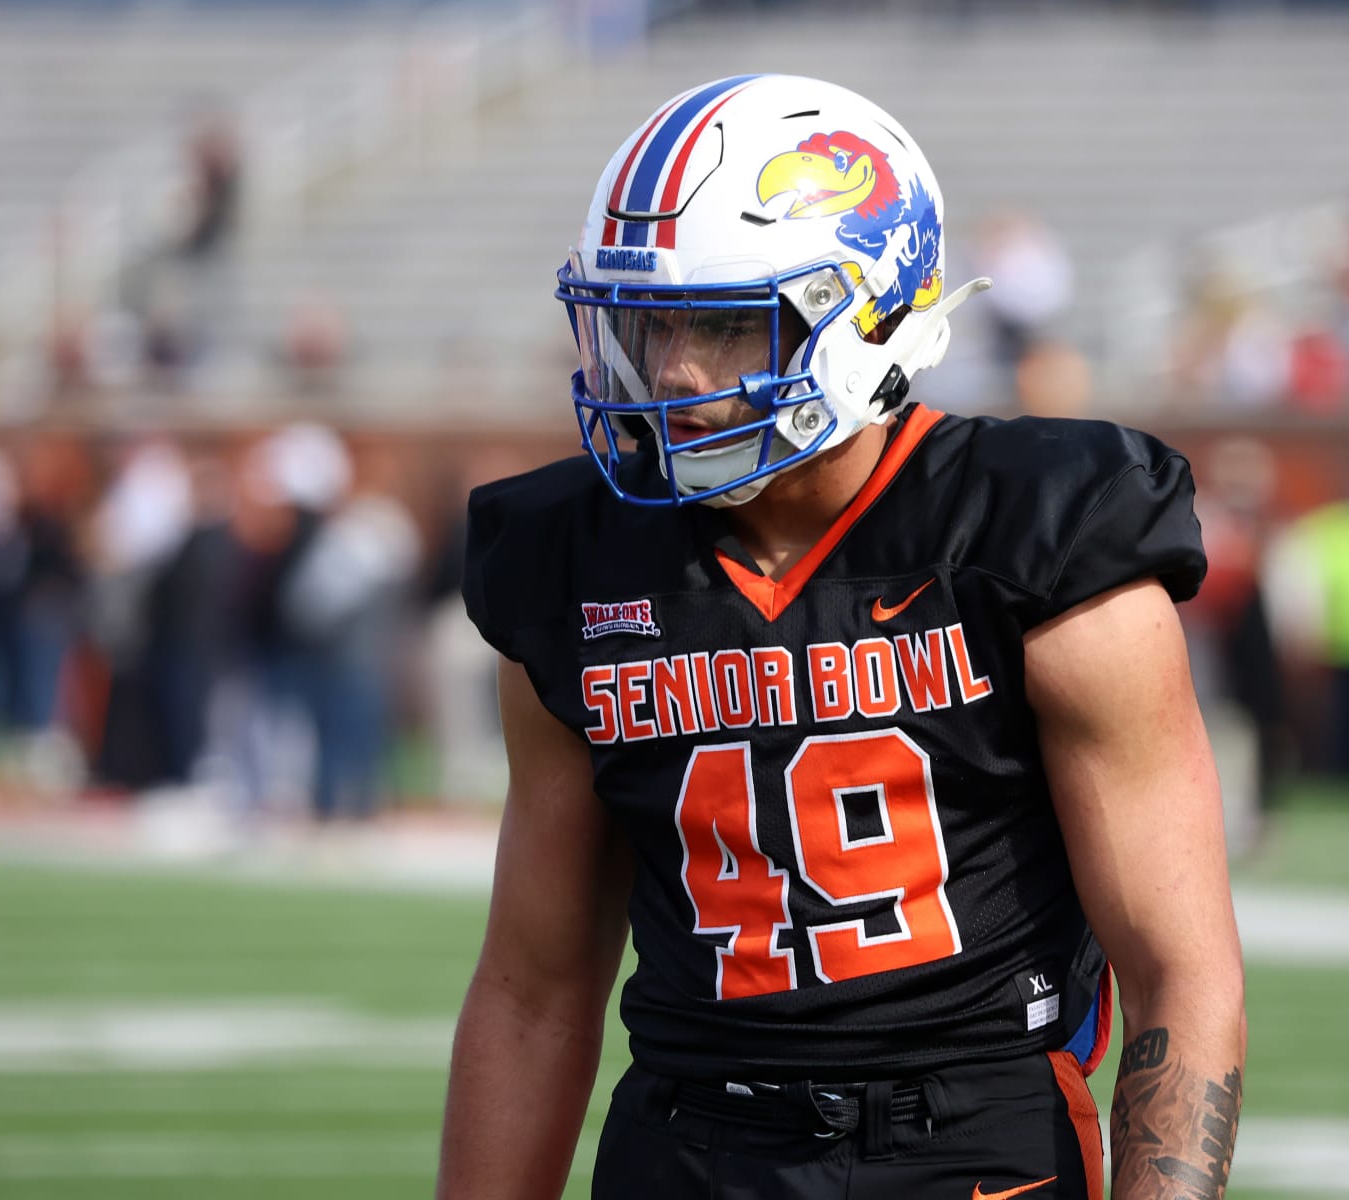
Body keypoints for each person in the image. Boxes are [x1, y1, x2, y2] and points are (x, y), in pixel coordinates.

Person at [437, 75, 1245, 1200]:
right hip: (686, 1142)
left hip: (971, 1141)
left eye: (724, 324)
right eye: (649, 323)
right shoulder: (574, 566)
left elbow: (1178, 971)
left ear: (866, 311)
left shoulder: (1040, 539)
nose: (672, 374)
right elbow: (533, 989)